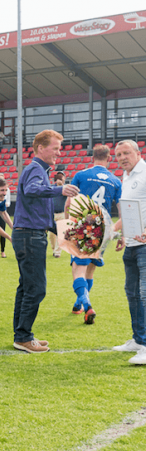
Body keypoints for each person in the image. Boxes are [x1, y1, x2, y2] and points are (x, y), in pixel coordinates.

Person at [12, 129, 79, 353]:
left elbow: (39, 211)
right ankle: (23, 337)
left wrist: (64, 232)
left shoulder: (39, 170)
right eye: (56, 148)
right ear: (41, 148)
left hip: (29, 233)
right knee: (36, 288)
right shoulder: (36, 169)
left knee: (26, 287)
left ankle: (22, 335)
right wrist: (60, 189)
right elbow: (32, 190)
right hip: (30, 236)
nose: (59, 154)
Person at [67, 145, 121, 325]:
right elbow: (122, 213)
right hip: (103, 227)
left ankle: (87, 304)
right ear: (109, 159)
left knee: (78, 268)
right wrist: (118, 234)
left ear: (92, 157)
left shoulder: (81, 175)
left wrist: (69, 224)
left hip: (84, 223)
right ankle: (78, 305)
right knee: (90, 267)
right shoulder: (116, 181)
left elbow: (69, 203)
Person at [112, 140, 146, 364]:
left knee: (145, 294)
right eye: (118, 155)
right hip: (132, 244)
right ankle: (139, 339)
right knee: (132, 293)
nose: (122, 157)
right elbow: (130, 211)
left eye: (126, 153)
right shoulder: (127, 177)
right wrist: (117, 233)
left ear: (137, 152)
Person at [47, 172, 67, 258]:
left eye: (61, 178)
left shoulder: (65, 188)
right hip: (52, 214)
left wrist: (62, 186)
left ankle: (57, 252)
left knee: (60, 234)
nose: (60, 179)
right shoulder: (52, 188)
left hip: (62, 213)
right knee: (51, 235)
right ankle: (54, 249)